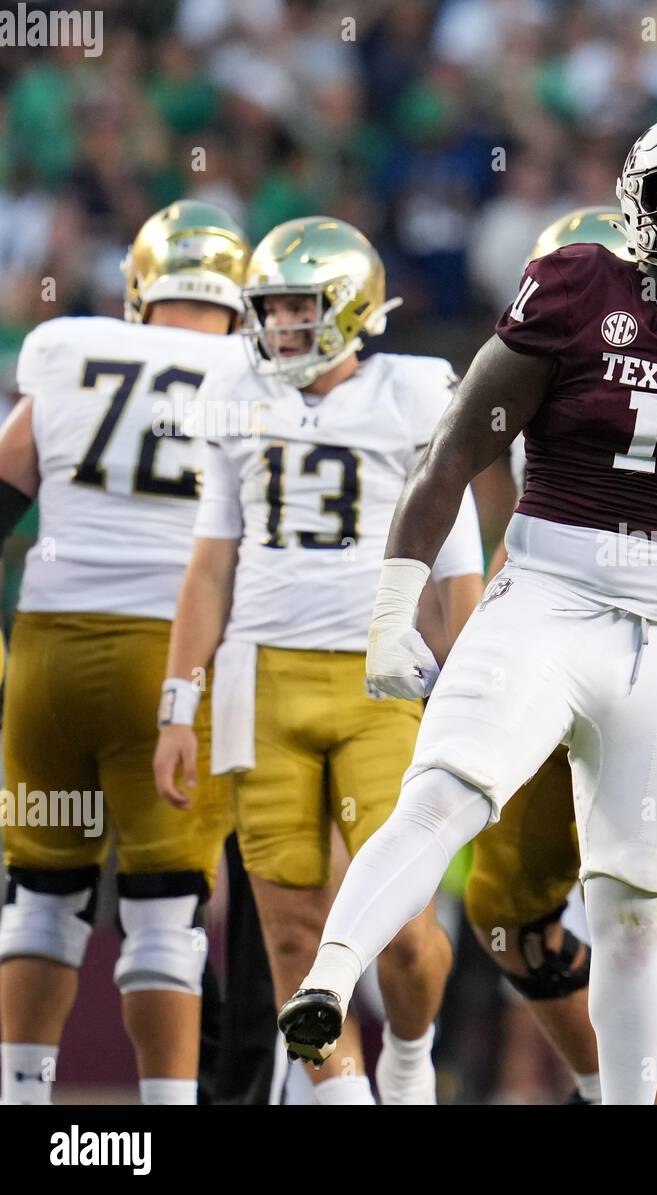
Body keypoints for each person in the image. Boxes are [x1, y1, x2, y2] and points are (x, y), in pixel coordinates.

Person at [282, 110, 657, 1104]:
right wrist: (392, 615)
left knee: (634, 904)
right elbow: (452, 454)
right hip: (549, 593)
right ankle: (328, 978)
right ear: (640, 206)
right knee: (449, 791)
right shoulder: (575, 287)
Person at [154, 216, 484, 1105]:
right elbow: (211, 561)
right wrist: (177, 704)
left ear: (350, 307)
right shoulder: (234, 388)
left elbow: (459, 567)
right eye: (271, 310)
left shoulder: (416, 392)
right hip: (259, 681)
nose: (280, 328)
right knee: (292, 932)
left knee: (407, 930)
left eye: (300, 309)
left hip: (383, 682)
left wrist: (476, 700)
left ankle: (410, 1057)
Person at [463, 206, 657, 1103]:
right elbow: (525, 539)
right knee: (505, 912)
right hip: (546, 651)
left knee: (641, 908)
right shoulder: (542, 375)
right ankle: (604, 1084)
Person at [0, 200, 250, 1105]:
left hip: (50, 649)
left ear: (142, 288)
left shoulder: (68, 351)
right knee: (163, 918)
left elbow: (5, 488)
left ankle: (23, 1100)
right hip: (171, 657)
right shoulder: (255, 373)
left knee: (38, 898)